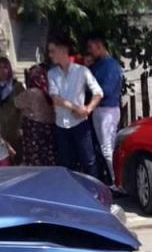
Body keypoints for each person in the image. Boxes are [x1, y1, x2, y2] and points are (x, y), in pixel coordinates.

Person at [47, 34, 103, 177]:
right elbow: (56, 99)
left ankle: (94, 194)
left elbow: (98, 92)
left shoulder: (81, 71)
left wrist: (87, 109)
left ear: (63, 50)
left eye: (53, 51)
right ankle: (71, 194)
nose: (50, 55)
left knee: (89, 161)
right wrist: (76, 107)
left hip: (80, 124)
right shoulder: (52, 74)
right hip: (61, 125)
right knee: (66, 164)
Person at [86, 32, 124, 181]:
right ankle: (113, 178)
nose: (89, 51)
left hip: (107, 110)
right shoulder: (97, 65)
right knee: (104, 147)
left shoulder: (111, 66)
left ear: (99, 46)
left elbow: (106, 90)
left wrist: (91, 89)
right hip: (99, 109)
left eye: (91, 47)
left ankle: (117, 181)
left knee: (108, 148)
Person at [15, 64, 57, 166]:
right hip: (49, 128)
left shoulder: (31, 92)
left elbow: (16, 102)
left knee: (36, 158)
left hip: (34, 131)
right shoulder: (50, 91)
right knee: (49, 155)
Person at [0, 56, 24, 164]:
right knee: (2, 161)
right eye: (0, 67)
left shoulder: (17, 86)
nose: (3, 70)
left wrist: (22, 126)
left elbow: (23, 107)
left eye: (5, 67)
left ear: (9, 69)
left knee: (17, 159)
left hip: (14, 130)